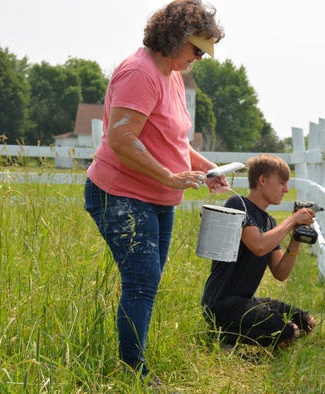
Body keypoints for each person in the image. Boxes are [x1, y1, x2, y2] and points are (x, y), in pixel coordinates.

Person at [83, 0, 225, 382]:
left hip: (157, 198)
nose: (199, 58)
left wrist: (206, 167)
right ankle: (134, 373)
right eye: (197, 49)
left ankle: (132, 364)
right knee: (142, 280)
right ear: (176, 37)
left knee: (146, 280)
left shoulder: (172, 75)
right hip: (121, 194)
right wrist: (169, 177)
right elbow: (121, 138)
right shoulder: (139, 73)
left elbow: (173, 141)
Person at [201, 154, 318, 349]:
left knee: (306, 322)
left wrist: (296, 237)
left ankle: (231, 333)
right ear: (262, 180)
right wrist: (291, 220)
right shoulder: (238, 204)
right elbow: (258, 245)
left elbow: (280, 273)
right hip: (222, 304)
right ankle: (223, 334)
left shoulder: (269, 222)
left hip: (245, 301)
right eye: (281, 183)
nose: (286, 189)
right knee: (288, 331)